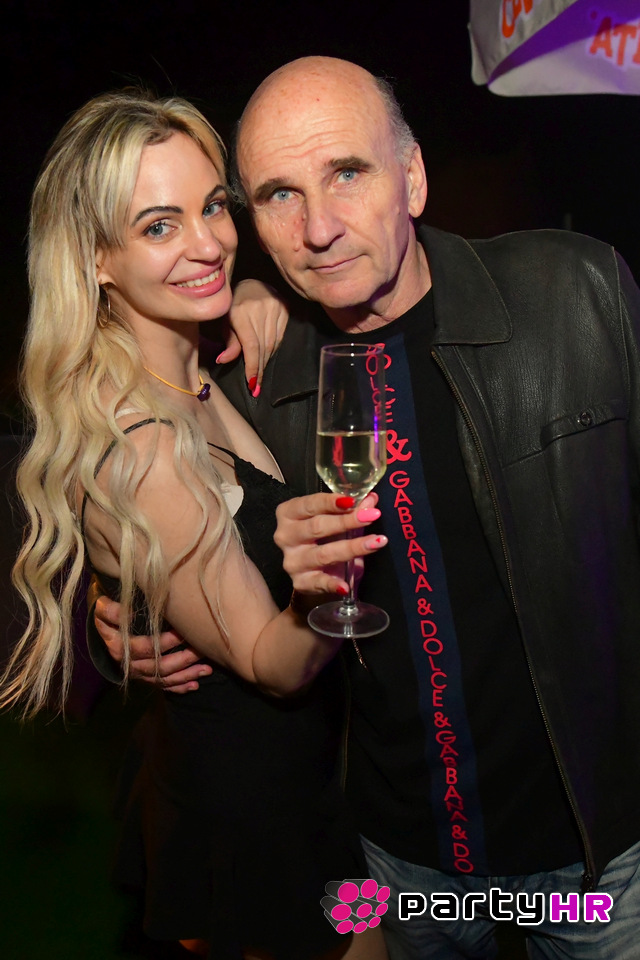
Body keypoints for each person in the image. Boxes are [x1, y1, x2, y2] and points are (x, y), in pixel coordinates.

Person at [93, 57, 640, 959]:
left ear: (412, 177)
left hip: (595, 865)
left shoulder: (574, 295)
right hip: (396, 868)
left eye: (347, 172)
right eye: (279, 195)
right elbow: (188, 530)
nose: (318, 228)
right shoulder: (254, 378)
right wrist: (120, 610)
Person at [0, 87, 391, 960]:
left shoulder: (198, 367)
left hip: (288, 777)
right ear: (97, 260)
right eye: (158, 226)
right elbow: (273, 664)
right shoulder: (140, 444)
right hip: (255, 814)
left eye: (212, 206)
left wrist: (252, 291)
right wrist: (324, 584)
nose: (209, 243)